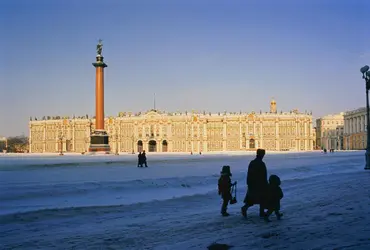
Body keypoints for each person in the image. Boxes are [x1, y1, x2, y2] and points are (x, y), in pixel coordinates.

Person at [241, 148, 268, 218]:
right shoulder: (261, 164)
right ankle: (261, 213)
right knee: (262, 198)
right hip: (260, 185)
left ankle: (245, 208)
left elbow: (249, 173)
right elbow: (264, 175)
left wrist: (249, 183)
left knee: (251, 199)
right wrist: (266, 184)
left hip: (252, 184)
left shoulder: (252, 162)